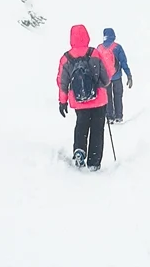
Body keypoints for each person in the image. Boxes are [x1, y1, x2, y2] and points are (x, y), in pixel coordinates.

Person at [56, 25, 112, 170]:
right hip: (98, 100)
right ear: (87, 36)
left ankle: (79, 150)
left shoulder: (66, 58)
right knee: (97, 130)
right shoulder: (95, 53)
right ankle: (94, 162)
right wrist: (102, 84)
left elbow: (62, 82)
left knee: (81, 126)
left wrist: (63, 102)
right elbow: (106, 77)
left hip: (79, 101)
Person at [99, 27, 133, 122]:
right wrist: (129, 75)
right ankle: (119, 116)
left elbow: (97, 64)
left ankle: (110, 116)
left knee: (108, 97)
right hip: (117, 76)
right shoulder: (117, 47)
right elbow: (123, 62)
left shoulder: (99, 48)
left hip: (105, 78)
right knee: (118, 96)